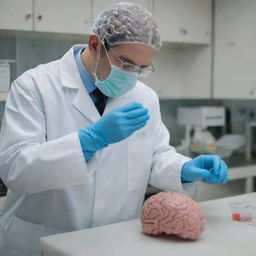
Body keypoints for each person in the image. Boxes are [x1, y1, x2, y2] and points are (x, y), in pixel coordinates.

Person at [0, 2, 228, 255]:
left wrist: (183, 168)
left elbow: (154, 156)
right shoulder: (34, 86)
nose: (132, 76)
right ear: (95, 44)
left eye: (141, 68)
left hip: (114, 241)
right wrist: (89, 140)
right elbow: (15, 168)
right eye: (126, 63)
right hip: (43, 239)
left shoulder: (144, 97)